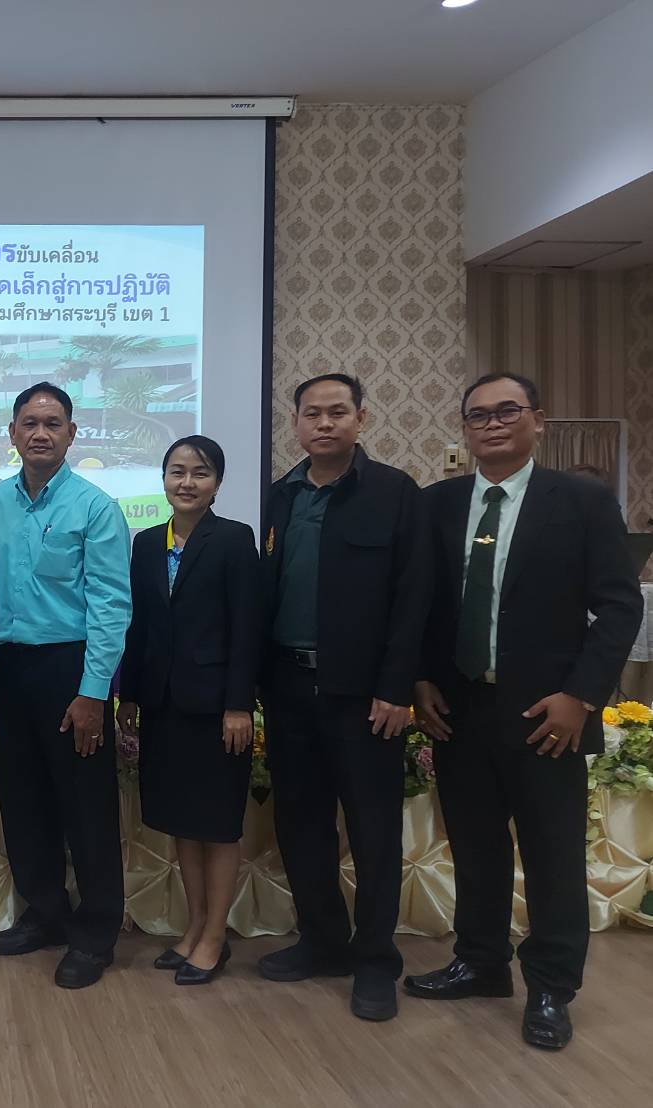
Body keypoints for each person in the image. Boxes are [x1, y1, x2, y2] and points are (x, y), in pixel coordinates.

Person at [408, 373, 641, 1050]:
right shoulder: (438, 504)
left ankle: (550, 986)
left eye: (506, 411)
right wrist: (420, 678)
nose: (491, 424)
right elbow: (422, 601)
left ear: (538, 420)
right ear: (463, 429)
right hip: (459, 708)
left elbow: (619, 605)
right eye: (477, 415)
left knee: (552, 855)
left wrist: (580, 696)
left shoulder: (582, 502)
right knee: (475, 847)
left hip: (548, 714)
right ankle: (480, 963)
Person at [258, 373, 429, 1022]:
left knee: (373, 829)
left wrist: (395, 687)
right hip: (288, 687)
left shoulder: (392, 492)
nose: (323, 424)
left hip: (363, 698)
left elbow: (413, 596)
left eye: (337, 412)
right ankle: (323, 942)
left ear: (361, 418)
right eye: (311, 414)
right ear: (295, 423)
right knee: (301, 825)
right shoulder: (279, 496)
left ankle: (375, 960)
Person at [0, 382, 132, 990]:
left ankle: (95, 934)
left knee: (85, 808)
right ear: (12, 432)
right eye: (30, 423)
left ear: (72, 434)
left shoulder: (96, 507)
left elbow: (111, 606)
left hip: (73, 670)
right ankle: (45, 913)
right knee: (24, 800)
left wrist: (93, 692)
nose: (41, 433)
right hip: (10, 668)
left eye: (53, 423)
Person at [117, 435, 260, 986]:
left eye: (200, 472)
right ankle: (195, 924)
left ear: (217, 483)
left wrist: (239, 704)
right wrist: (130, 694)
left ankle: (216, 936)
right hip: (162, 705)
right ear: (163, 479)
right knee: (181, 820)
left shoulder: (234, 539)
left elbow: (246, 626)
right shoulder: (146, 543)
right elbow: (140, 626)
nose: (187, 482)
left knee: (217, 825)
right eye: (177, 471)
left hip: (217, 709)